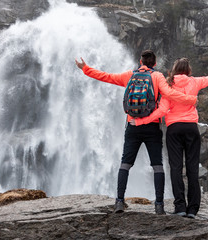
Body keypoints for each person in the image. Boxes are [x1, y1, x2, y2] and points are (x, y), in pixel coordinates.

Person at [75, 50, 197, 215]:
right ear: (154, 63)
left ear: (140, 61)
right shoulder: (157, 76)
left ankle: (119, 201)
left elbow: (106, 77)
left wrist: (85, 68)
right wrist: (190, 99)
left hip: (132, 125)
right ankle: (159, 205)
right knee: (157, 166)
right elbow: (169, 94)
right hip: (152, 126)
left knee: (125, 163)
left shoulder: (129, 76)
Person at [130, 57, 208, 218]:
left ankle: (180, 207)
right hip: (191, 129)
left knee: (175, 168)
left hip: (174, 130)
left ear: (174, 70)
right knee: (193, 169)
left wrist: (140, 122)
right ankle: (193, 210)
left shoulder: (168, 86)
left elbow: (161, 112)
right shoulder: (195, 82)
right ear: (188, 71)